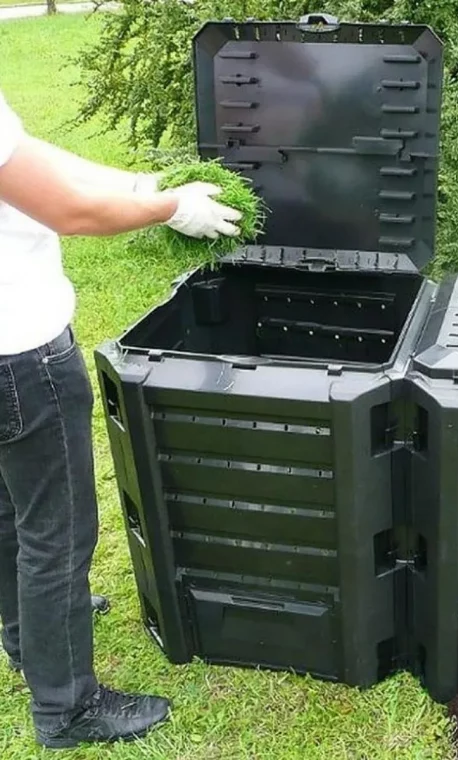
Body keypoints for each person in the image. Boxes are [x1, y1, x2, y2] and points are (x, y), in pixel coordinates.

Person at [0, 89, 241, 749]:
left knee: (8, 509)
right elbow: (68, 209)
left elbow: (26, 159)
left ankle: (29, 636)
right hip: (18, 352)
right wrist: (170, 205)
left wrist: (140, 182)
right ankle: (66, 710)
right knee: (59, 531)